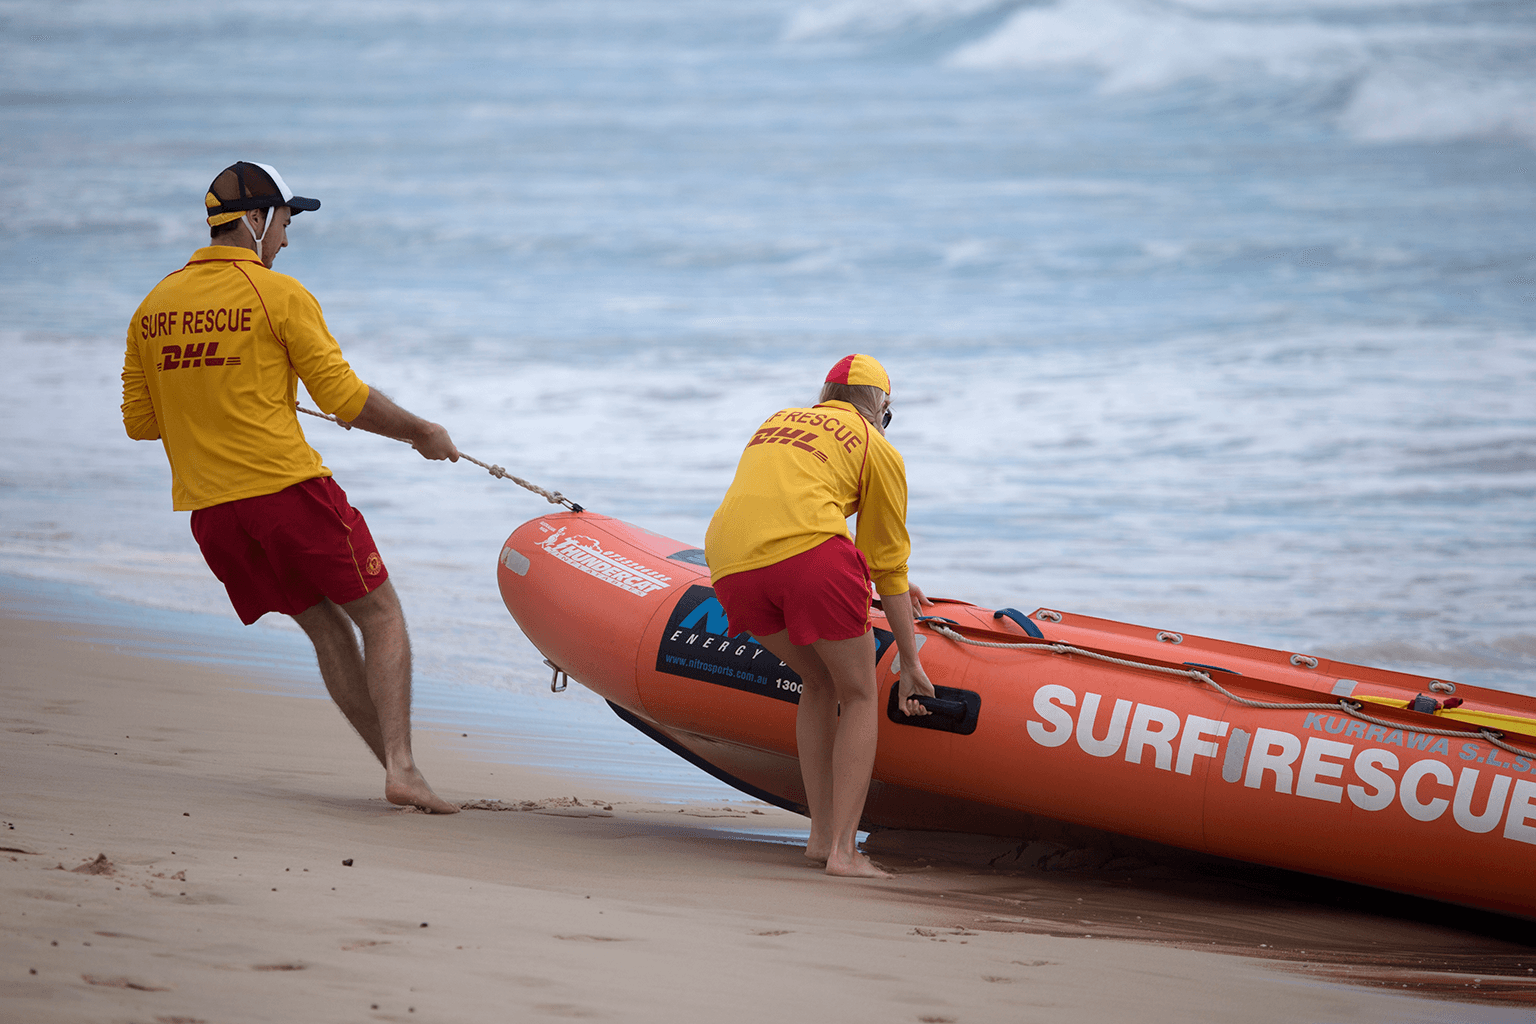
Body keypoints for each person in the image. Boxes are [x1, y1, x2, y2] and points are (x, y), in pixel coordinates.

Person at [121, 161, 459, 814]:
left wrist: (217, 390)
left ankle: (398, 771)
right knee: (381, 615)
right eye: (284, 222)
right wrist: (421, 432)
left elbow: (142, 423)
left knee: (327, 631)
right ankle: (403, 767)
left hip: (212, 514)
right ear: (253, 220)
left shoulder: (153, 307)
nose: (286, 239)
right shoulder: (278, 295)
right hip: (286, 494)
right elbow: (345, 400)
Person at [704, 354, 935, 877]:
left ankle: (818, 836)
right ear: (882, 408)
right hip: (810, 560)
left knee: (817, 679)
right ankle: (844, 854)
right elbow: (890, 566)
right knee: (858, 692)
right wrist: (912, 662)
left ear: (826, 395)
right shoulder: (879, 448)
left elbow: (788, 500)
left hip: (730, 562)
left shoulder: (776, 420)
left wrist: (858, 572)